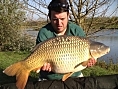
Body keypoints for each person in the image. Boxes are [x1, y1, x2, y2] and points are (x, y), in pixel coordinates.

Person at [36, 0, 96, 80]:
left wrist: (90, 62)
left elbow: (87, 60)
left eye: (62, 19)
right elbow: (37, 55)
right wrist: (43, 66)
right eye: (55, 19)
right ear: (49, 17)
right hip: (49, 77)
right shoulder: (44, 32)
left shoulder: (77, 31)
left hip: (75, 76)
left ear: (68, 16)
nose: (59, 23)